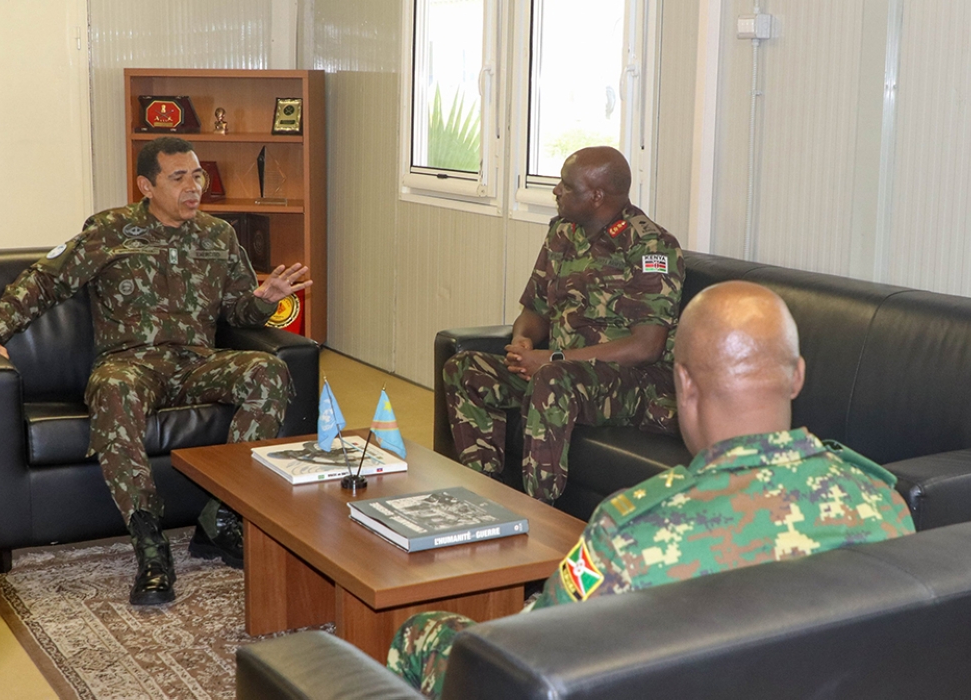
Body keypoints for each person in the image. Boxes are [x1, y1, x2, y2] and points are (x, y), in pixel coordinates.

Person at [388, 280, 916, 698]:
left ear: (683, 383)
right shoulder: (884, 504)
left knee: (420, 632)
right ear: (797, 376)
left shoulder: (633, 531)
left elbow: (526, 658)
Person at [0, 136, 313, 606]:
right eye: (179, 178)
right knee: (111, 389)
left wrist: (262, 300)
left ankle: (222, 518)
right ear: (146, 185)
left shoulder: (218, 236)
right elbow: (46, 281)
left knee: (268, 372)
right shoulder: (109, 230)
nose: (193, 188)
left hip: (195, 362)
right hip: (129, 364)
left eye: (198, 176)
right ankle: (150, 545)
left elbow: (237, 315)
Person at [444, 146, 684, 504]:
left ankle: (540, 512)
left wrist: (553, 359)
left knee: (552, 380)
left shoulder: (650, 246)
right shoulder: (563, 233)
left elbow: (645, 347)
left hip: (629, 382)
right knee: (465, 368)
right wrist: (523, 341)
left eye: (567, 186)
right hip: (561, 373)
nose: (556, 190)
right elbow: (535, 309)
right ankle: (483, 494)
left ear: (597, 196)